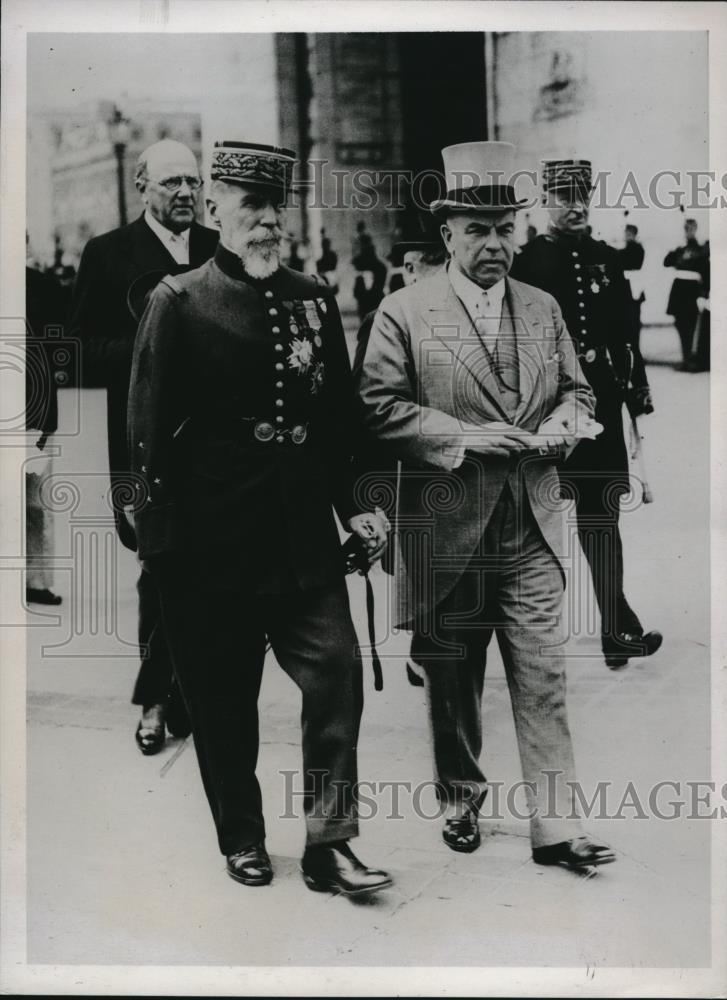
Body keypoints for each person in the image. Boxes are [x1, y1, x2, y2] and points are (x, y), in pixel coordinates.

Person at [127, 139, 392, 897]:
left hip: (303, 539)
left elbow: (339, 422)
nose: (267, 222)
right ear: (216, 212)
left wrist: (360, 506)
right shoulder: (177, 300)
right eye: (250, 208)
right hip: (209, 545)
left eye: (276, 208)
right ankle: (241, 836)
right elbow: (144, 429)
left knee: (337, 671)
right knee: (221, 698)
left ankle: (329, 843)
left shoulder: (312, 298)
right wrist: (159, 541)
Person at [359, 140, 615, 872]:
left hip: (530, 521)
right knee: (452, 683)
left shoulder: (542, 307)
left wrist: (569, 420)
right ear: (446, 235)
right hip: (445, 525)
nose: (494, 244)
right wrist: (466, 436)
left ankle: (557, 828)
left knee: (544, 677)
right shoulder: (403, 313)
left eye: (505, 228)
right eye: (477, 229)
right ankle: (459, 799)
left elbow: (578, 388)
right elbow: (378, 408)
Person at [68, 139, 219, 754]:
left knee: (211, 567)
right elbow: (77, 352)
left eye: (192, 181)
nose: (185, 192)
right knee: (158, 567)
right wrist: (152, 342)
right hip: (139, 442)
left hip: (215, 444)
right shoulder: (107, 255)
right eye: (171, 183)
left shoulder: (218, 248)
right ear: (142, 187)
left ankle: (189, 693)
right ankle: (155, 699)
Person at [512, 159, 661, 669]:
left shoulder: (606, 257)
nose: (574, 205)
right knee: (532, 525)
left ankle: (616, 631)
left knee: (602, 518)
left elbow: (627, 329)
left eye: (582, 195)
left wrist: (637, 387)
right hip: (546, 407)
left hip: (601, 402)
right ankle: (520, 640)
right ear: (546, 200)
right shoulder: (526, 260)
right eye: (563, 196)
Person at [353, 238, 447, 689]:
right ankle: (424, 650)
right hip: (404, 466)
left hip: (443, 461)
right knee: (419, 559)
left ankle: (426, 649)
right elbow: (366, 405)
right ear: (410, 268)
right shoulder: (384, 318)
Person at [25, 265, 65, 606]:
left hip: (32, 412)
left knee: (35, 502)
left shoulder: (41, 287)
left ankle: (35, 580)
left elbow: (60, 343)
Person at [664, 218, 709, 370]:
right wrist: (674, 248)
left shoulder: (701, 249)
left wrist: (703, 294)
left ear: (695, 229)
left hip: (692, 290)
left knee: (690, 325)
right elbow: (667, 262)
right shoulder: (680, 248)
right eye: (686, 229)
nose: (688, 231)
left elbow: (706, 272)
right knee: (680, 323)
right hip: (679, 289)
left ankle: (691, 359)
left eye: (691, 228)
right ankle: (686, 358)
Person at [618, 223, 646, 358]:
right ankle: (630, 350)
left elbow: (628, 261)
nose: (626, 236)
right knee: (628, 322)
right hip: (627, 288)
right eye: (626, 233)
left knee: (633, 323)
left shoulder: (636, 248)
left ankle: (634, 351)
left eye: (629, 234)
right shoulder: (630, 248)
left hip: (632, 288)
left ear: (634, 235)